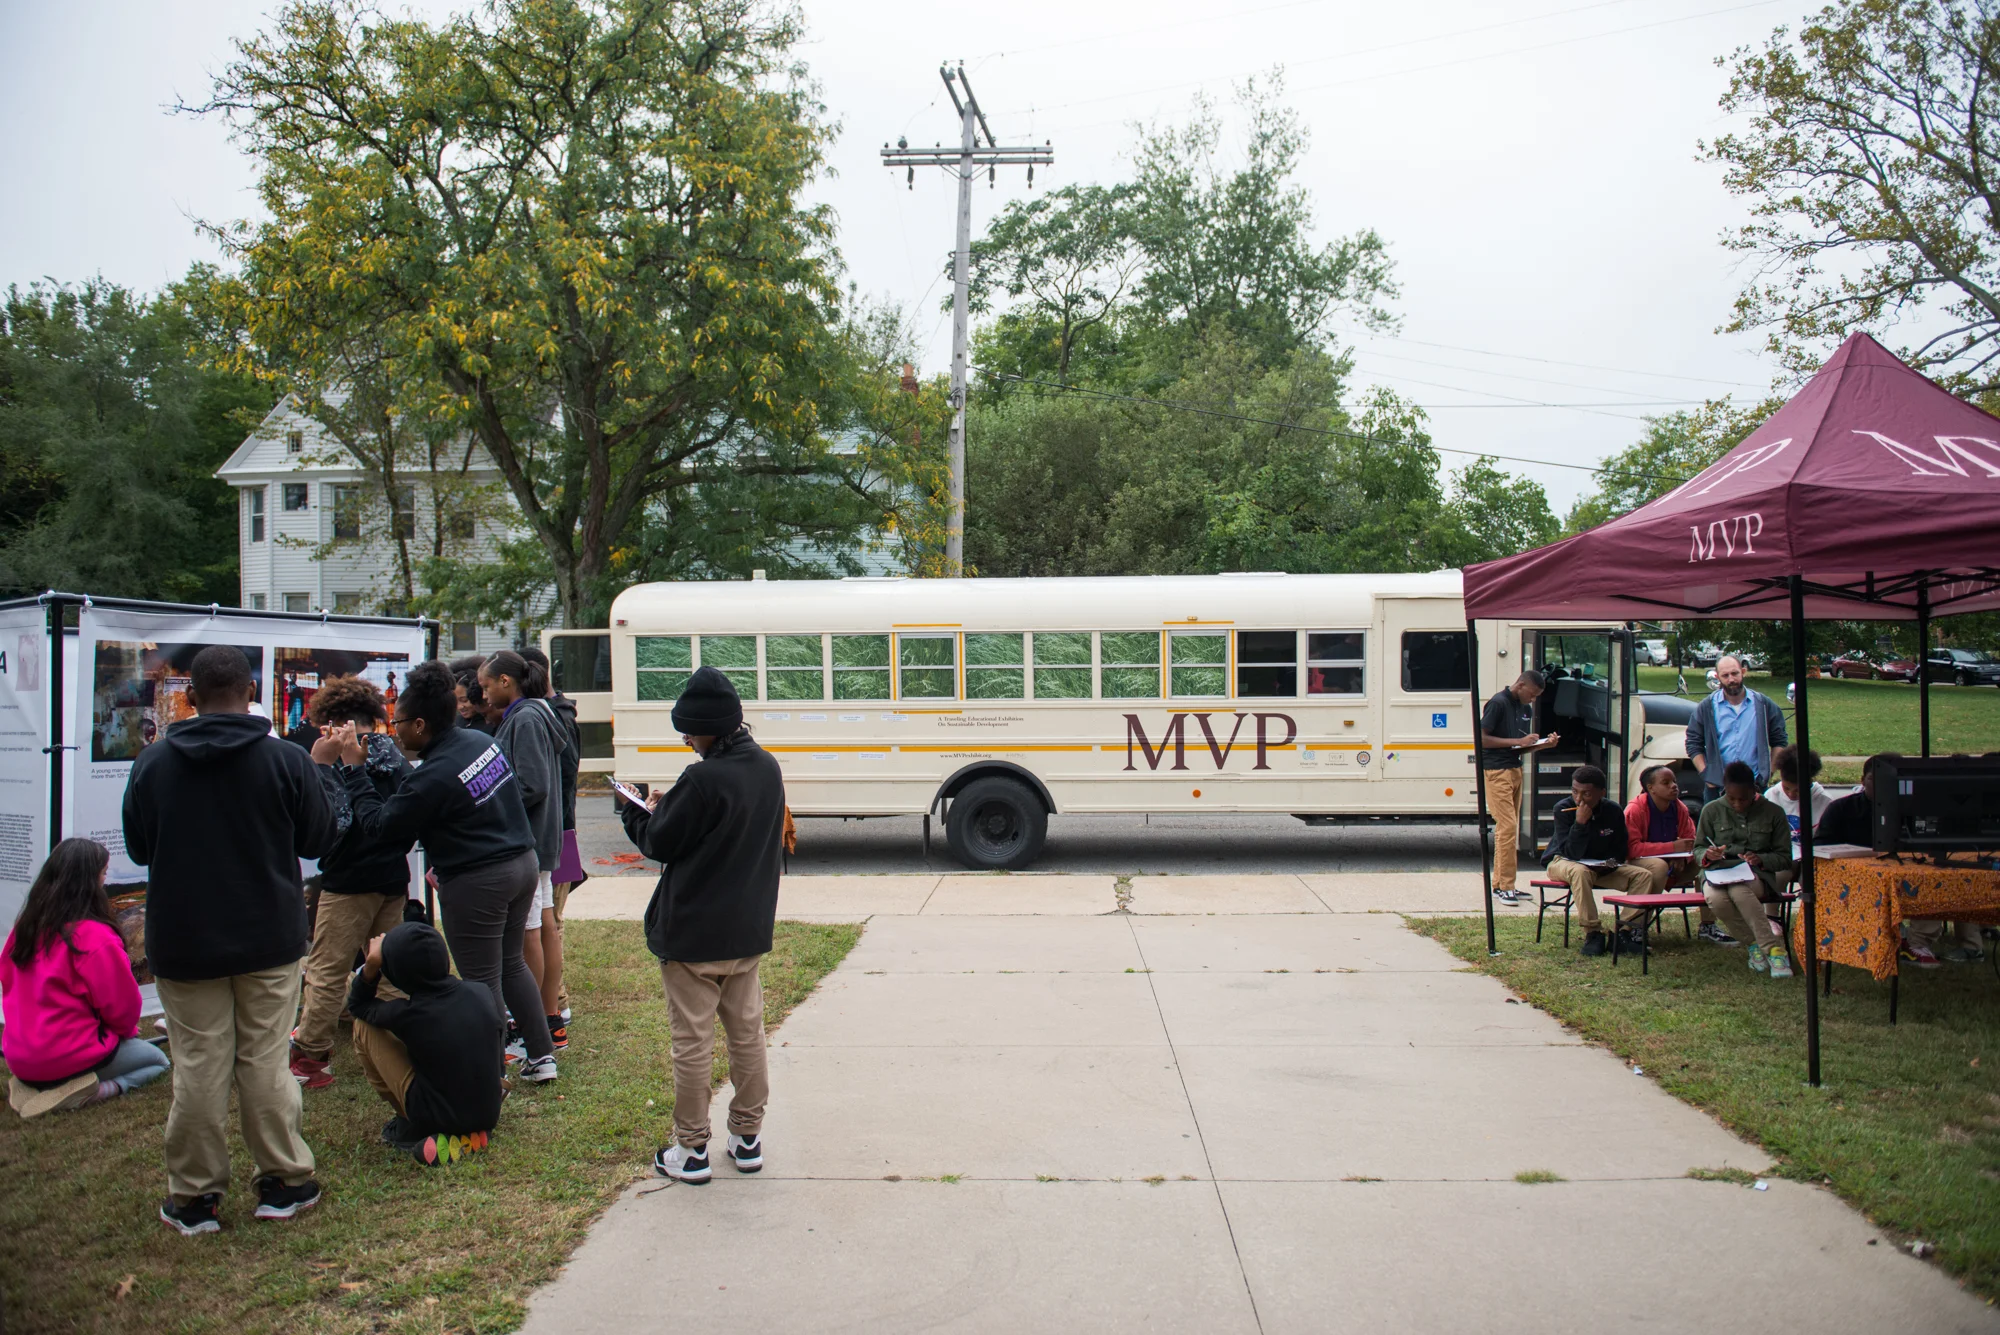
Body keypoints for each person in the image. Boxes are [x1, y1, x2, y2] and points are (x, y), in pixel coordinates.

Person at [122, 644, 336, 1236]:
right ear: (250, 694)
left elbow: (140, 848)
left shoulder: (154, 762)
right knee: (264, 1060)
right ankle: (284, 1182)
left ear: (191, 698)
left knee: (197, 1064)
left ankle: (193, 1197)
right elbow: (320, 837)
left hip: (186, 940)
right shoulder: (285, 761)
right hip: (267, 935)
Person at [329, 659, 558, 1084]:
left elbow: (381, 826)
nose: (392, 730)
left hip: (478, 880)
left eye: (396, 722)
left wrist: (355, 770)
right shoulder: (478, 743)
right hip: (521, 863)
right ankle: (541, 1056)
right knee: (511, 964)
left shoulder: (432, 774)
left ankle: (489, 1074)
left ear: (419, 725)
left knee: (481, 978)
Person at [621, 667, 785, 1184]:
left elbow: (661, 843)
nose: (685, 740)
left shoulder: (702, 778)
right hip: (747, 929)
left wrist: (636, 811)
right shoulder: (766, 767)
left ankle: (691, 1149)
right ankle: (747, 1137)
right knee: (748, 1036)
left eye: (688, 731)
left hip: (694, 935)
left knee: (692, 1043)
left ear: (709, 729)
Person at [290, 675, 416, 1091]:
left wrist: (320, 766)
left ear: (331, 722)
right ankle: (399, 1041)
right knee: (392, 964)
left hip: (347, 881)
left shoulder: (334, 757)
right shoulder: (393, 755)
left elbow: (332, 825)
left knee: (327, 968)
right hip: (393, 876)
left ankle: (311, 1057)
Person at [2, 839, 171, 1118]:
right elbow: (122, 1009)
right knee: (157, 1061)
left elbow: (9, 984)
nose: (105, 881)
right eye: (103, 873)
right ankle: (94, 1090)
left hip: (19, 1056)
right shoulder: (94, 937)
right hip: (68, 1054)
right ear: (87, 882)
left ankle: (34, 1084)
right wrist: (123, 1034)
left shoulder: (25, 928)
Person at [347, 922, 505, 1166]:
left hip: (437, 1115)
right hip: (488, 1109)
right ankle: (471, 1135)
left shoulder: (408, 1014)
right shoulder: (480, 991)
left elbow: (357, 1006)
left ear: (397, 973)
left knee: (363, 1026)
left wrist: (371, 967)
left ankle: (409, 1124)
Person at [480, 649, 573, 1054]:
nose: (483, 696)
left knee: (529, 934)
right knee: (543, 926)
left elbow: (532, 785)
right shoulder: (533, 714)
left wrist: (486, 799)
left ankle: (530, 1022)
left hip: (529, 841)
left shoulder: (528, 718)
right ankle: (547, 1019)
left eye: (485, 687)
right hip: (536, 840)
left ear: (506, 682)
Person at [521, 645, 585, 1028]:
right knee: (548, 921)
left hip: (559, 835)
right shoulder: (545, 715)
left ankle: (555, 1002)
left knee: (551, 922)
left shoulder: (555, 718)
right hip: (557, 834)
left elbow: (561, 782)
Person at [1696, 761, 1795, 979]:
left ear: (1754, 791)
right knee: (1717, 900)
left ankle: (1773, 949)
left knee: (1739, 891)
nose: (1738, 804)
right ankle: (1755, 945)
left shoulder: (1773, 812)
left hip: (1754, 874)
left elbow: (1784, 858)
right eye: (1732, 799)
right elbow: (1698, 848)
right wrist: (1708, 855)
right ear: (1724, 790)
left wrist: (1761, 859)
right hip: (1717, 872)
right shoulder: (1711, 810)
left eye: (1744, 798)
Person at [1543, 765, 1653, 957]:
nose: (1579, 799)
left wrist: (1610, 864)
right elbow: (1571, 853)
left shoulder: (1613, 810)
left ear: (1601, 793)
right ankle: (1593, 932)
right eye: (1575, 792)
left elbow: (1620, 849)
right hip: (1562, 861)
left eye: (1586, 794)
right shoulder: (1562, 809)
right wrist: (1580, 824)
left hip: (1599, 867)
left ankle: (1623, 933)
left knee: (1643, 876)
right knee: (1579, 871)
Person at [1623, 765, 1734, 945]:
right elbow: (1632, 849)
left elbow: (1692, 841)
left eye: (1674, 781)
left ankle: (1708, 925)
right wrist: (1672, 848)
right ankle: (1637, 928)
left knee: (1705, 861)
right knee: (1658, 867)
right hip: (1640, 864)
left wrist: (1683, 857)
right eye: (1666, 783)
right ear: (1650, 788)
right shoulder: (1635, 809)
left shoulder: (1679, 807)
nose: (1674, 786)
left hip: (1674, 863)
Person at [1479, 670, 1549, 903]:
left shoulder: (1523, 708)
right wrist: (1518, 741)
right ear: (1520, 686)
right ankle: (1505, 886)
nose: (1533, 699)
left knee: (1510, 828)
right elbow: (1482, 739)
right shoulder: (1497, 703)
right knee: (1507, 827)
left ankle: (1502, 884)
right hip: (1496, 770)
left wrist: (1539, 745)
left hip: (1514, 768)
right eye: (1532, 694)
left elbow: (1516, 747)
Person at [1685, 655, 1787, 803]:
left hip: (1756, 786)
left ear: (1743, 671)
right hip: (1718, 789)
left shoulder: (1763, 704)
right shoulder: (1706, 707)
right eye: (1725, 675)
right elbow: (1693, 743)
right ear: (1718, 676)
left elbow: (1780, 740)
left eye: (1735, 673)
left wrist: (1768, 772)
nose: (1731, 679)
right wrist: (1707, 774)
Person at [1764, 745, 1831, 836]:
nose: (1791, 794)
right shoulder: (1771, 796)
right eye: (1786, 788)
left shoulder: (1825, 801)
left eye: (1798, 790)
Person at [449, 654, 495, 736]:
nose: (460, 707)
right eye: (455, 701)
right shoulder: (454, 723)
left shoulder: (492, 721)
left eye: (464, 700)